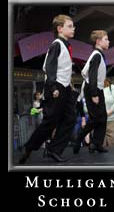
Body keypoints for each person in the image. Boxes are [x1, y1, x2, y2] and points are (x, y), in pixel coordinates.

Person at [19, 14, 76, 164]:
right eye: (70, 26)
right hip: (56, 86)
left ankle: (54, 150)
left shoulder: (65, 44)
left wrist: (68, 83)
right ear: (59, 28)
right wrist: (52, 86)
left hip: (65, 87)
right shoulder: (56, 44)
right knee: (50, 122)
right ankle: (29, 147)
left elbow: (62, 67)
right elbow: (48, 66)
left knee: (70, 118)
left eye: (73, 26)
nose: (73, 28)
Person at [73, 30, 109, 154]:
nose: (108, 41)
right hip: (93, 89)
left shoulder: (99, 54)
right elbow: (92, 75)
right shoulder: (97, 55)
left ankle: (96, 144)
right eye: (106, 39)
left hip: (97, 88)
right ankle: (79, 138)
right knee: (95, 118)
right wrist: (94, 94)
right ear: (98, 41)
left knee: (102, 118)